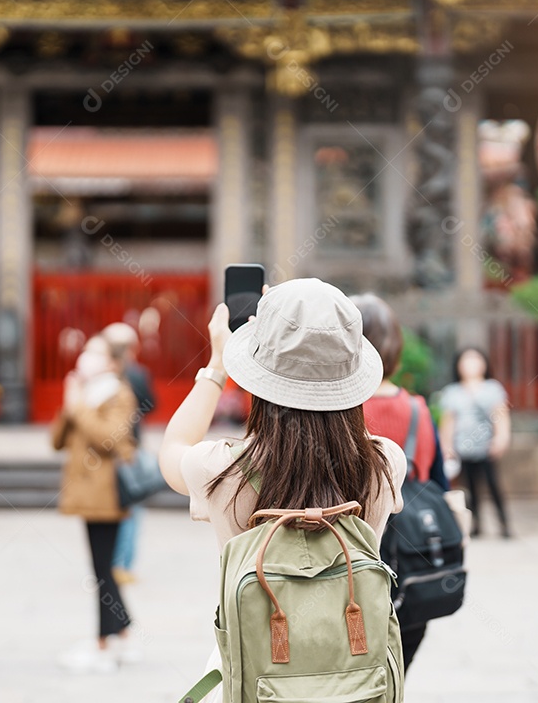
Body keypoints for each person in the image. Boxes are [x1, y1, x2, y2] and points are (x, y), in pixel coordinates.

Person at [158, 279, 408, 702]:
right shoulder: (384, 463)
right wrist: (318, 351)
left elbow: (171, 450)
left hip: (259, 680)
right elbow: (344, 420)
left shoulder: (222, 469)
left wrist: (219, 363)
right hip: (358, 684)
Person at [351, 293, 448, 672]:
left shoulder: (338, 412)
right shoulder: (419, 410)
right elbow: (438, 482)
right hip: (412, 569)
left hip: (352, 569)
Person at [52, 335, 139, 674]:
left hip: (107, 494)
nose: (86, 356)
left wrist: (77, 406)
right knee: (101, 569)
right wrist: (68, 402)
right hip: (85, 493)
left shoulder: (119, 393)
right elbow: (56, 441)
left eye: (96, 352)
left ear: (113, 362)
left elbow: (109, 439)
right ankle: (123, 633)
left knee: (103, 570)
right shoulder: (84, 395)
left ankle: (105, 643)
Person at [101, 322, 155, 585]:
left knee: (123, 506)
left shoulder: (110, 377)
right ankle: (123, 564)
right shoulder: (137, 373)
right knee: (131, 508)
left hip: (116, 451)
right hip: (129, 447)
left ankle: (114, 563)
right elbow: (150, 404)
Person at [439, 347, 512, 538]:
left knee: (493, 485)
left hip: (487, 447)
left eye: (475, 359)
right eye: (466, 360)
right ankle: (476, 524)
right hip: (462, 447)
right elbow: (448, 421)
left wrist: (501, 438)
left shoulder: (493, 389)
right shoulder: (452, 392)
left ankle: (504, 523)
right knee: (469, 488)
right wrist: (446, 446)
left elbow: (500, 415)